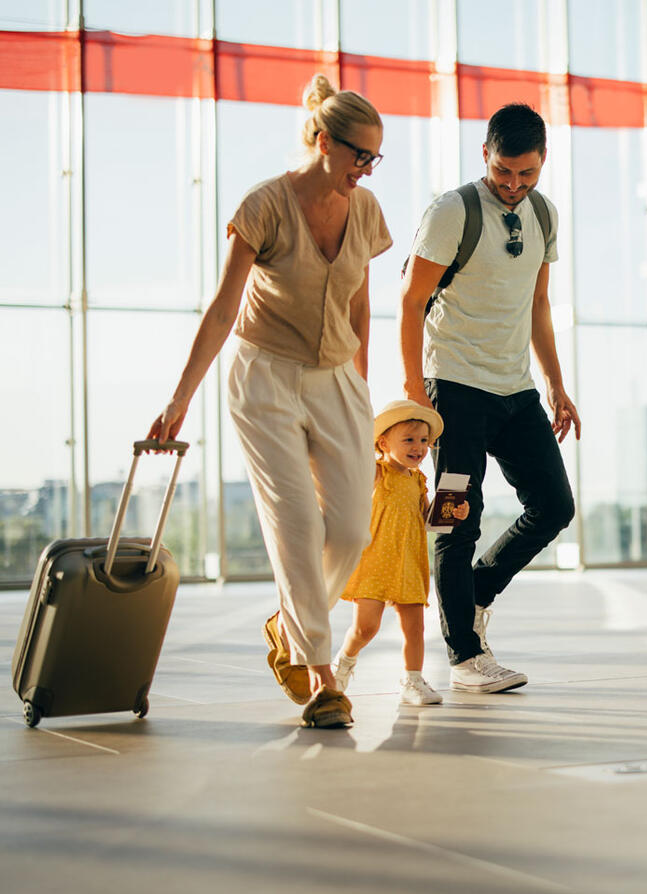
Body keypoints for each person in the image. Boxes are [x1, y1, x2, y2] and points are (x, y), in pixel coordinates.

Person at [147, 73, 391, 729]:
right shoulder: (264, 205)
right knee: (297, 526)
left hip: (338, 378)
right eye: (358, 155)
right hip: (265, 378)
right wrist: (179, 399)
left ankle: (288, 627)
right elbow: (225, 307)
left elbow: (361, 305)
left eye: (375, 158)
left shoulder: (365, 212)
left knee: (350, 529)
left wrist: (364, 391)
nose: (366, 170)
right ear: (322, 140)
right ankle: (319, 677)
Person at [399, 102, 580, 694]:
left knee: (554, 506)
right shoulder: (452, 211)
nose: (513, 184)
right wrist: (412, 389)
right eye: (504, 171)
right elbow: (410, 301)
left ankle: (475, 593)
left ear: (543, 163)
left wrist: (555, 384)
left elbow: (539, 304)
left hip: (515, 386)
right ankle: (464, 657)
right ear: (485, 155)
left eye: (526, 174)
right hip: (453, 385)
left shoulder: (545, 215)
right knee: (457, 519)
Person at [330, 400, 469, 705]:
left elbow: (427, 518)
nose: (418, 447)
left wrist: (453, 512)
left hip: (408, 561)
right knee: (366, 627)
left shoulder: (418, 479)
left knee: (416, 627)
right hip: (375, 560)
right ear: (383, 443)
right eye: (408, 440)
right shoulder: (377, 473)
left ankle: (413, 680)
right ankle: (344, 661)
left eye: (423, 441)